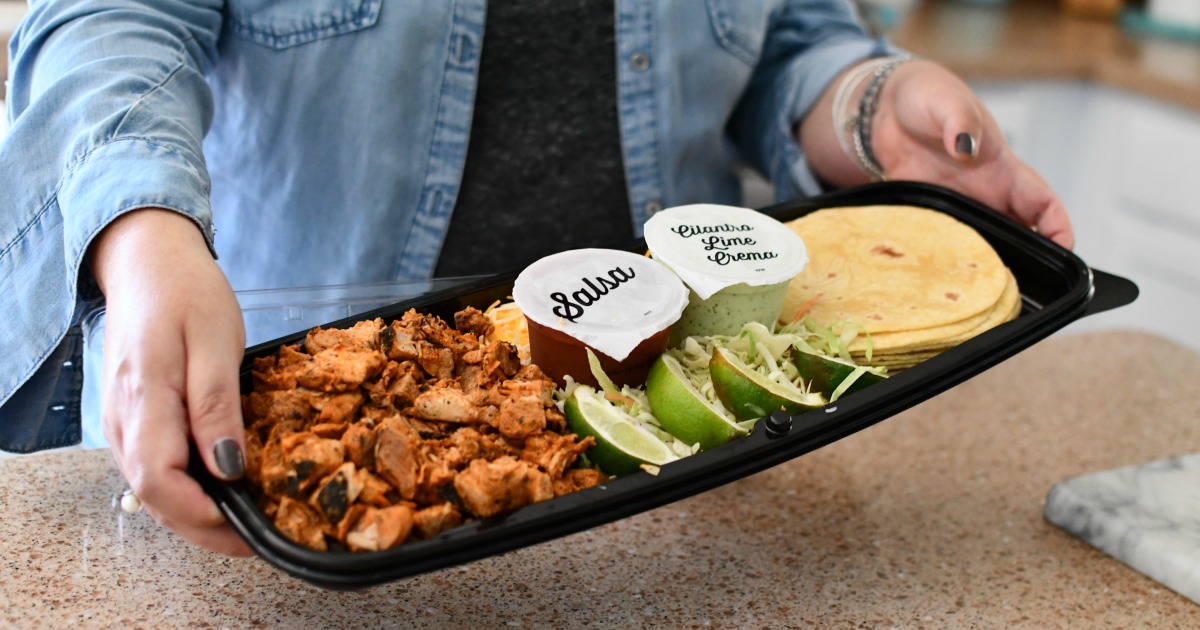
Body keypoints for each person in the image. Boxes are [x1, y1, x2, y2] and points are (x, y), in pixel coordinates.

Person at [0, 0, 1072, 557]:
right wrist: (142, 229)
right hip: (290, 410)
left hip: (681, 438)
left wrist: (862, 101)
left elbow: (789, 35)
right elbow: (105, 21)